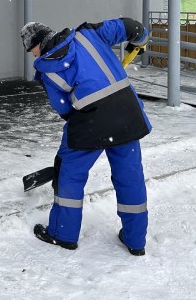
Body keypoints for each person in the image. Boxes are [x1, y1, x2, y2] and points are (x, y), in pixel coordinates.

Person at [21, 17, 150, 256]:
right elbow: (129, 26)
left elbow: (64, 108)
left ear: (38, 44)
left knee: (70, 174)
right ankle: (135, 240)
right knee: (130, 176)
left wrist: (81, 126)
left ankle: (63, 234)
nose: (32, 55)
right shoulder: (90, 34)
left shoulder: (47, 69)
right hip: (127, 113)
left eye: (31, 49)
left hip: (90, 122)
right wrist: (141, 38)